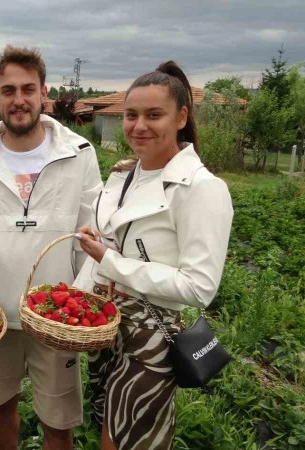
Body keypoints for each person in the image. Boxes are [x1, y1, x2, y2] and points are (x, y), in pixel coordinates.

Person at [74, 61, 234, 450]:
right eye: (131, 115)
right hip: (107, 326)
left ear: (181, 117)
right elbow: (115, 245)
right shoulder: (126, 174)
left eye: (153, 115)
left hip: (150, 335)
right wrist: (77, 295)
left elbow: (199, 288)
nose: (138, 125)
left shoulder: (202, 188)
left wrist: (110, 262)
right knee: (108, 430)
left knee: (132, 439)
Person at [0, 44, 103, 450]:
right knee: (1, 406)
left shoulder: (78, 154)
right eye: (8, 90)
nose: (18, 100)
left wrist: (79, 297)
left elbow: (93, 230)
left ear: (43, 93)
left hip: (55, 313)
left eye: (27, 89)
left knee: (58, 420)